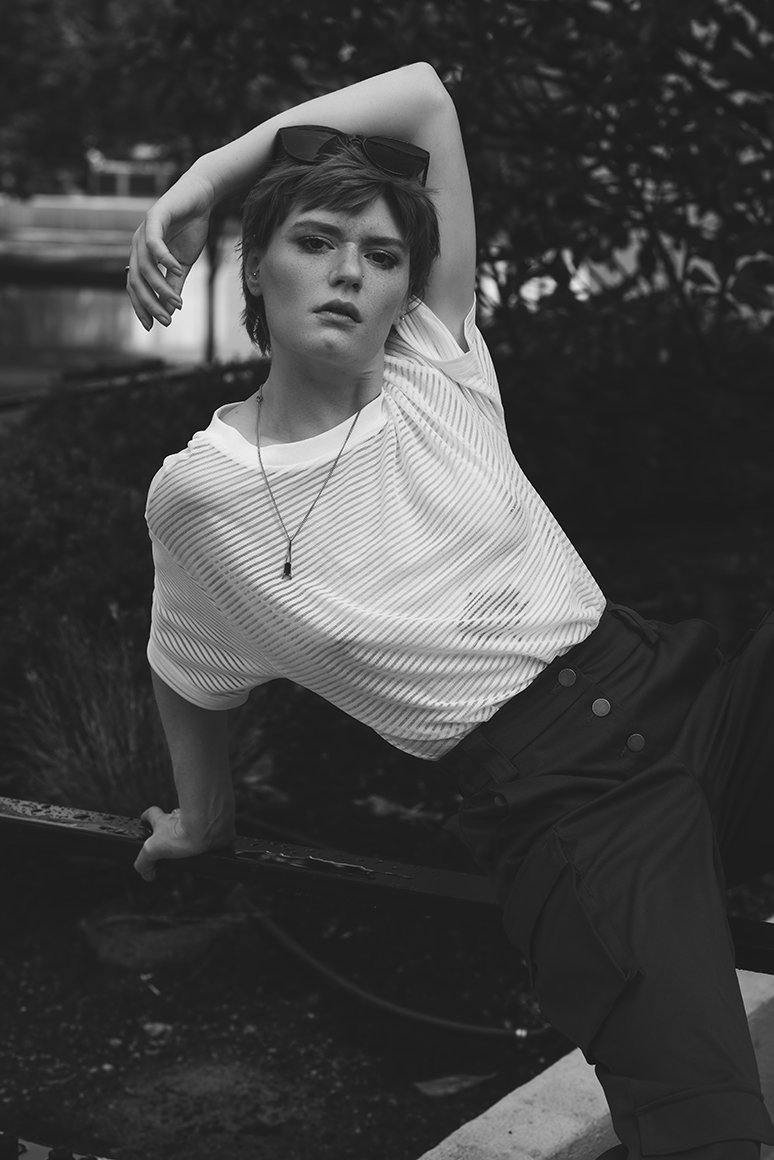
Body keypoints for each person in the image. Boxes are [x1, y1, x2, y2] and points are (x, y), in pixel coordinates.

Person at [126, 62, 774, 1160]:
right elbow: (186, 663)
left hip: (688, 695)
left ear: (405, 292)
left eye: (383, 257)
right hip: (574, 812)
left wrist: (205, 178)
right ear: (257, 273)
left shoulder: (437, 357)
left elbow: (425, 97)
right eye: (317, 242)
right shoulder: (202, 497)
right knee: (711, 1137)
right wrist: (202, 819)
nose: (351, 272)